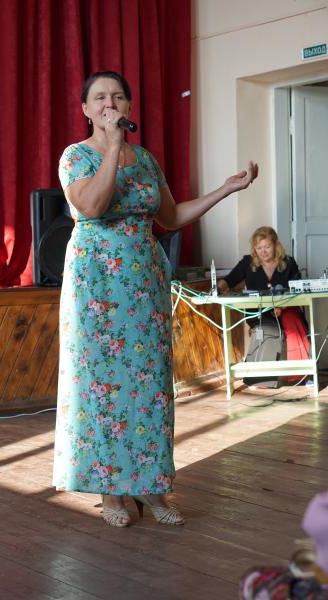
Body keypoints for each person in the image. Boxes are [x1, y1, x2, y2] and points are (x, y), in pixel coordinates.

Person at [52, 70, 258, 527]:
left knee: (149, 385)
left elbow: (172, 216)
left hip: (144, 283)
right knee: (102, 384)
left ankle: (152, 486)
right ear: (86, 109)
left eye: (118, 96)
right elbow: (92, 206)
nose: (110, 103)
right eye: (100, 98)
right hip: (96, 288)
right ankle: (111, 493)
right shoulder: (75, 157)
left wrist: (226, 189)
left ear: (128, 106)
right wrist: (111, 145)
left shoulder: (144, 159)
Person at [218, 226, 310, 386]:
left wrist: (281, 307)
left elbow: (296, 289)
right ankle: (259, 378)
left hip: (285, 309)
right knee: (268, 329)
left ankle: (302, 376)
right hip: (258, 313)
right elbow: (229, 279)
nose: (263, 251)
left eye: (267, 246)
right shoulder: (247, 262)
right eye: (259, 248)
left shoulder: (288, 263)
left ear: (275, 245)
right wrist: (220, 286)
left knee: (293, 322)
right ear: (254, 248)